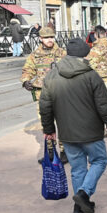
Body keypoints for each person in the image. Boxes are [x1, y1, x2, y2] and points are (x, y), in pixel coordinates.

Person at [39, 38, 107, 213]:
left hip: (67, 133)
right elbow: (104, 106)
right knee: (100, 161)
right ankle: (84, 193)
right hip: (91, 132)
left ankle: (79, 206)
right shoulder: (91, 75)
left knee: (77, 168)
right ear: (86, 54)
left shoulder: (51, 75)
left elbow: (45, 106)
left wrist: (49, 130)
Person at [21, 27, 67, 160]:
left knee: (62, 123)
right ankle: (51, 153)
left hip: (60, 94)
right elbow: (27, 70)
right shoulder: (34, 55)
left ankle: (65, 152)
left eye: (52, 37)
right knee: (46, 124)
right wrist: (26, 81)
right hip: (43, 96)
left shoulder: (62, 53)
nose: (50, 40)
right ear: (41, 39)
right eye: (47, 38)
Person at [85, 25, 107, 107]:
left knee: (98, 111)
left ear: (95, 35)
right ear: (105, 35)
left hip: (99, 83)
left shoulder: (95, 49)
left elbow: (89, 66)